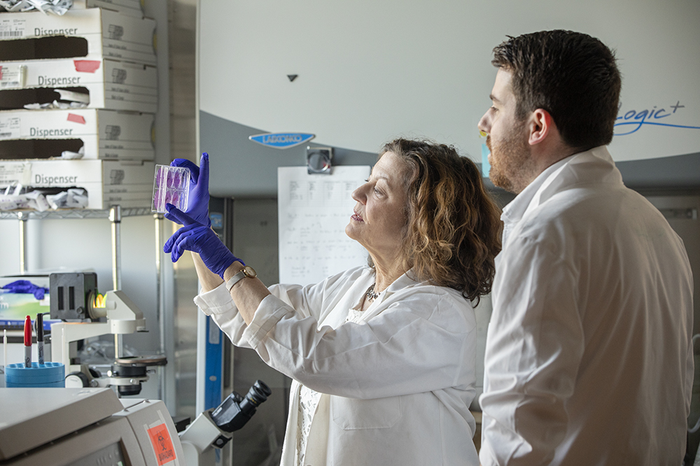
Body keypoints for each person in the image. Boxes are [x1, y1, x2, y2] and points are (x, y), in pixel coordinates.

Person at [164, 139, 502, 466]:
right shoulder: (352, 286)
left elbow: (316, 358)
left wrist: (229, 266)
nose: (358, 193)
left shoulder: (437, 313)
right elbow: (248, 318)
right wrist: (199, 235)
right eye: (367, 180)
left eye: (379, 190)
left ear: (422, 222)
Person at [477, 30, 694, 465]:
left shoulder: (545, 237)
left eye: (496, 107)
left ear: (537, 125)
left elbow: (516, 429)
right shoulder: (658, 228)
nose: (484, 122)